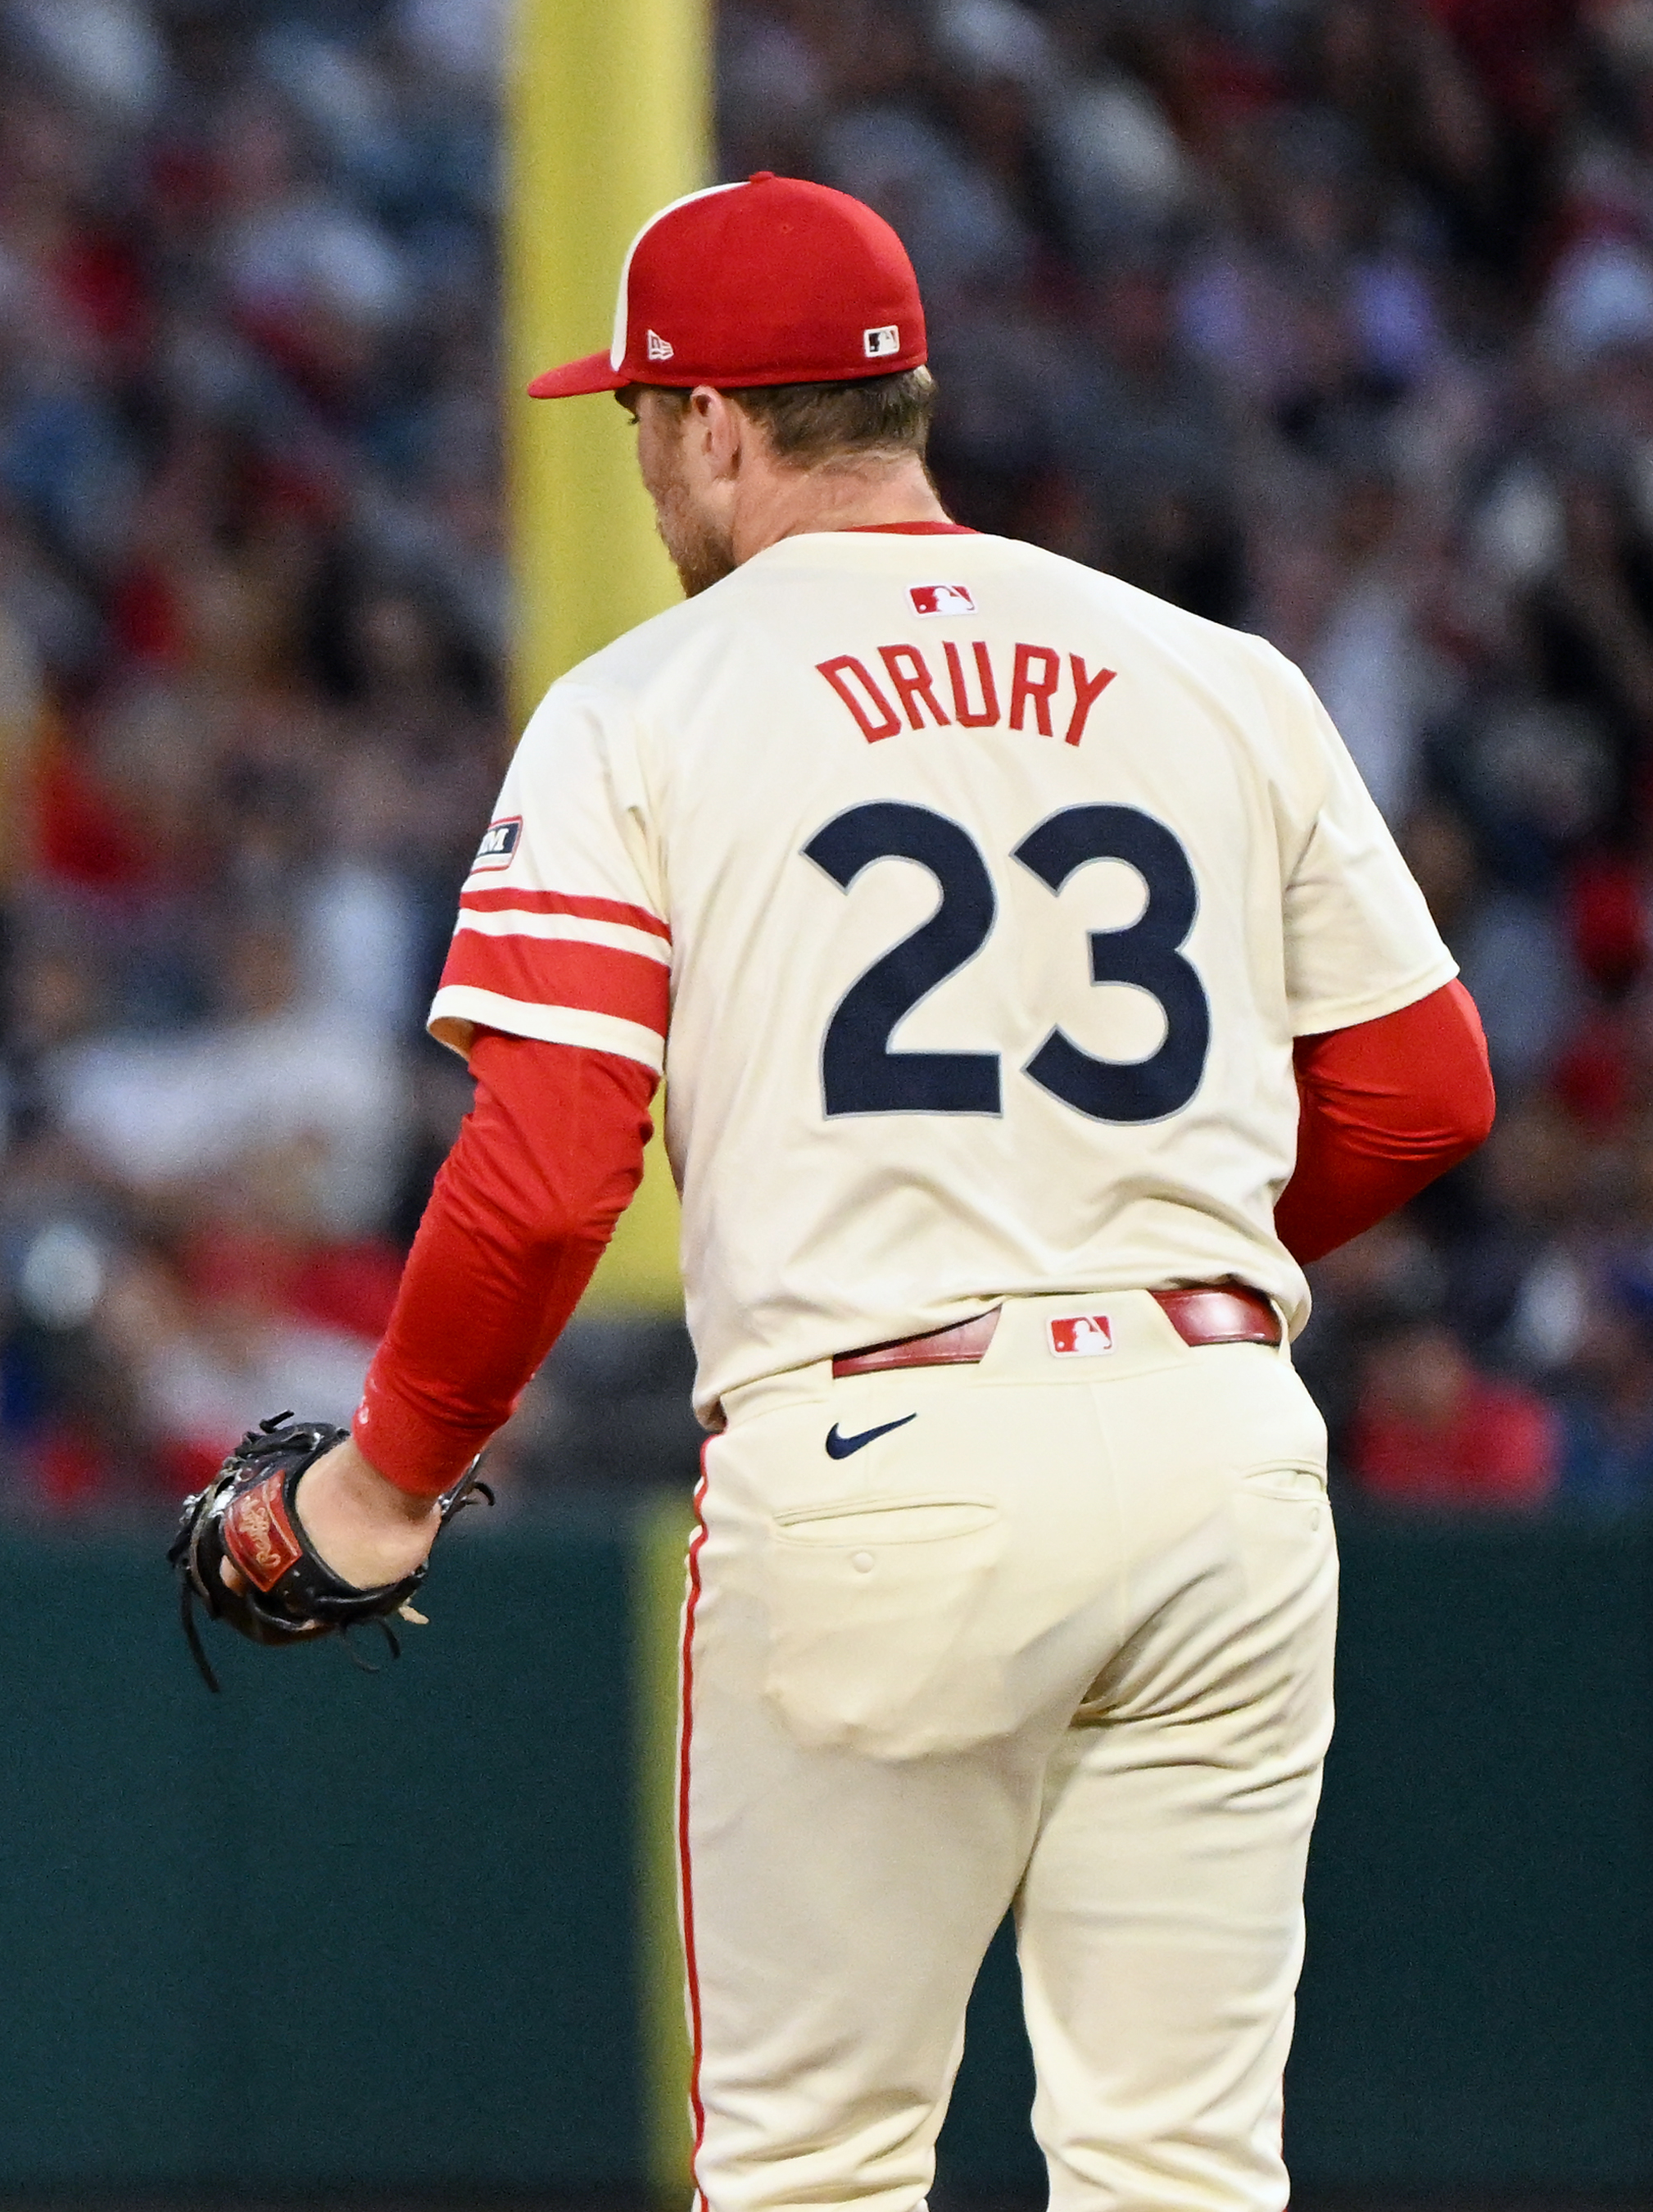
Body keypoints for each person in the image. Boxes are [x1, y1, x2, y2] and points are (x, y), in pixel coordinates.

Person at [236, 179, 1494, 2210]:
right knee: (1180, 2167)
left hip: (882, 1440)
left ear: (719, 424)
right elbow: (1426, 1089)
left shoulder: (647, 703)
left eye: (642, 419)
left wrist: (383, 1490)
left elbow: (550, 1181)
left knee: (817, 2169)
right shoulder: (1212, 669)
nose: (642, 463)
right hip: (1218, 1434)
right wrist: (1134, 1229)